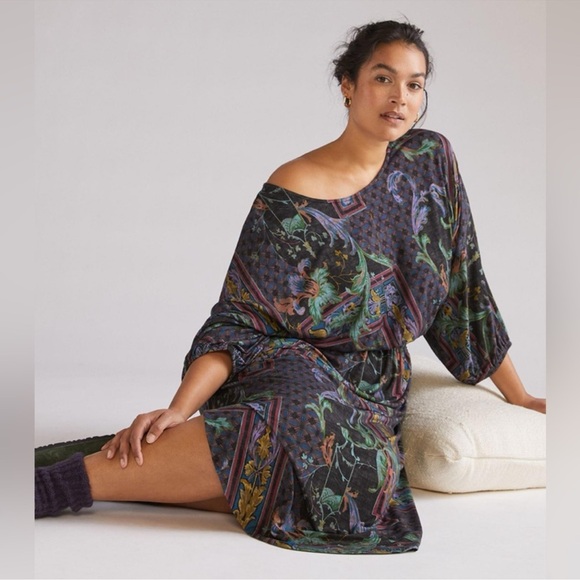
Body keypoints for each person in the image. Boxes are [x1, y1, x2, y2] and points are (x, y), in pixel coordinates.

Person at [34, 19, 546, 555]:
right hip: (282, 366)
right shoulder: (291, 191)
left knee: (356, 475)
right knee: (302, 413)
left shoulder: (430, 161)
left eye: (414, 84)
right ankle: (55, 487)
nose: (400, 97)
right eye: (383, 78)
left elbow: (464, 286)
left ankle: (133, 473)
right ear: (348, 84)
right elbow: (237, 320)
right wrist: (178, 410)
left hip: (371, 388)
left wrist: (519, 395)